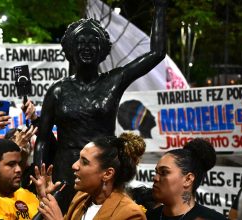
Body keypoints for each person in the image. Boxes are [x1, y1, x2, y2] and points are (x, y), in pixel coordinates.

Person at [34, 0, 167, 212]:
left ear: (102, 49)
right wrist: (41, 175)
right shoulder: (57, 90)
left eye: (92, 42)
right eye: (81, 42)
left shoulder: (114, 81)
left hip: (104, 177)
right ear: (71, 48)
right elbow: (42, 139)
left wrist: (160, 8)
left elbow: (156, 54)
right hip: (65, 175)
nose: (87, 47)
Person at [32, 132, 147, 220]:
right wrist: (45, 201)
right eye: (78, 158)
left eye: (85, 162)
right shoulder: (80, 199)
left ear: (107, 174)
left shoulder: (131, 214)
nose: (74, 165)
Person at [146, 138, 226, 220]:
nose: (155, 178)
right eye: (156, 172)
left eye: (164, 172)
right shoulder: (146, 217)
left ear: (188, 179)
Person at [0, 138, 43, 219]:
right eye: (11, 164)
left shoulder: (27, 195)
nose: (19, 169)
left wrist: (44, 200)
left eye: (19, 164)